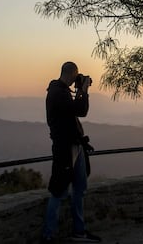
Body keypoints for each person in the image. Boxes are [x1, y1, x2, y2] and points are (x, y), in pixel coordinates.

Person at [41, 61, 101, 243]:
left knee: (80, 189)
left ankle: (79, 231)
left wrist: (79, 90)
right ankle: (49, 235)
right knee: (59, 191)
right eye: (76, 76)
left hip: (76, 146)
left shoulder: (62, 91)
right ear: (72, 74)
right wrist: (83, 90)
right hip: (65, 149)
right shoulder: (57, 93)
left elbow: (74, 113)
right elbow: (81, 110)